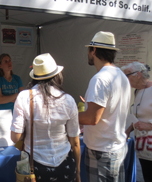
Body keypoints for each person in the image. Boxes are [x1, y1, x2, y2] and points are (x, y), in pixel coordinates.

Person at [11, 53, 81, 182]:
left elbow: (15, 137)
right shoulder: (68, 100)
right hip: (65, 165)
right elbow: (75, 143)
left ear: (34, 77)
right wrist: (77, 172)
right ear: (57, 75)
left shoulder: (24, 97)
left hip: (35, 167)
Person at [79, 31, 131, 182]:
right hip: (115, 147)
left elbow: (91, 118)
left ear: (93, 50)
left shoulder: (100, 79)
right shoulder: (120, 75)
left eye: (89, 49)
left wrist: (66, 113)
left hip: (102, 151)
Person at [122, 62, 152, 182]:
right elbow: (137, 116)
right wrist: (128, 130)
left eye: (127, 76)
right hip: (143, 148)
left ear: (138, 74)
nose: (125, 79)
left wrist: (149, 125)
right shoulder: (137, 91)